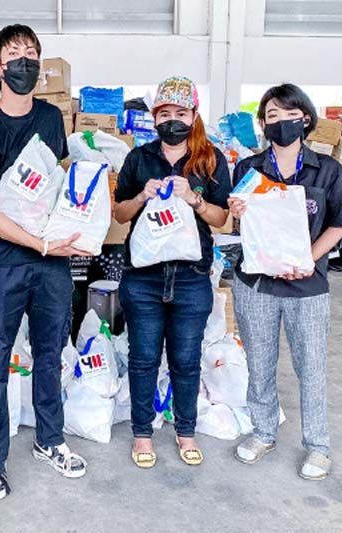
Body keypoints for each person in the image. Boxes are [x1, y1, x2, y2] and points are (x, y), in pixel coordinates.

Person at [0, 24, 88, 501]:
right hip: (3, 265)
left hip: (52, 264)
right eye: (14, 54)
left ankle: (49, 440)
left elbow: (55, 186)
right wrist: (38, 244)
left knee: (51, 355)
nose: (25, 62)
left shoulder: (52, 118)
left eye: (32, 53)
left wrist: (79, 222)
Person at [228, 83, 342, 481]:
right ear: (263, 125)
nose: (281, 122)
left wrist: (307, 260)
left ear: (305, 119)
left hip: (307, 286)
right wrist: (236, 211)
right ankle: (263, 432)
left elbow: (339, 225)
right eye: (272, 116)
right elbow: (239, 225)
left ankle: (318, 445)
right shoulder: (248, 169)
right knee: (259, 363)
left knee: (311, 366)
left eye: (289, 114)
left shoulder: (327, 170)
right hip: (256, 284)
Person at [114, 76, 231, 468]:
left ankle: (186, 431)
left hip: (191, 277)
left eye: (180, 113)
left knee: (186, 359)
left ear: (194, 115)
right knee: (143, 358)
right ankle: (142, 434)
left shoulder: (210, 159)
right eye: (164, 114)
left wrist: (193, 198)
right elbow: (120, 213)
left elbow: (222, 219)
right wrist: (141, 196)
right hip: (144, 277)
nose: (172, 120)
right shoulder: (138, 158)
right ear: (154, 118)